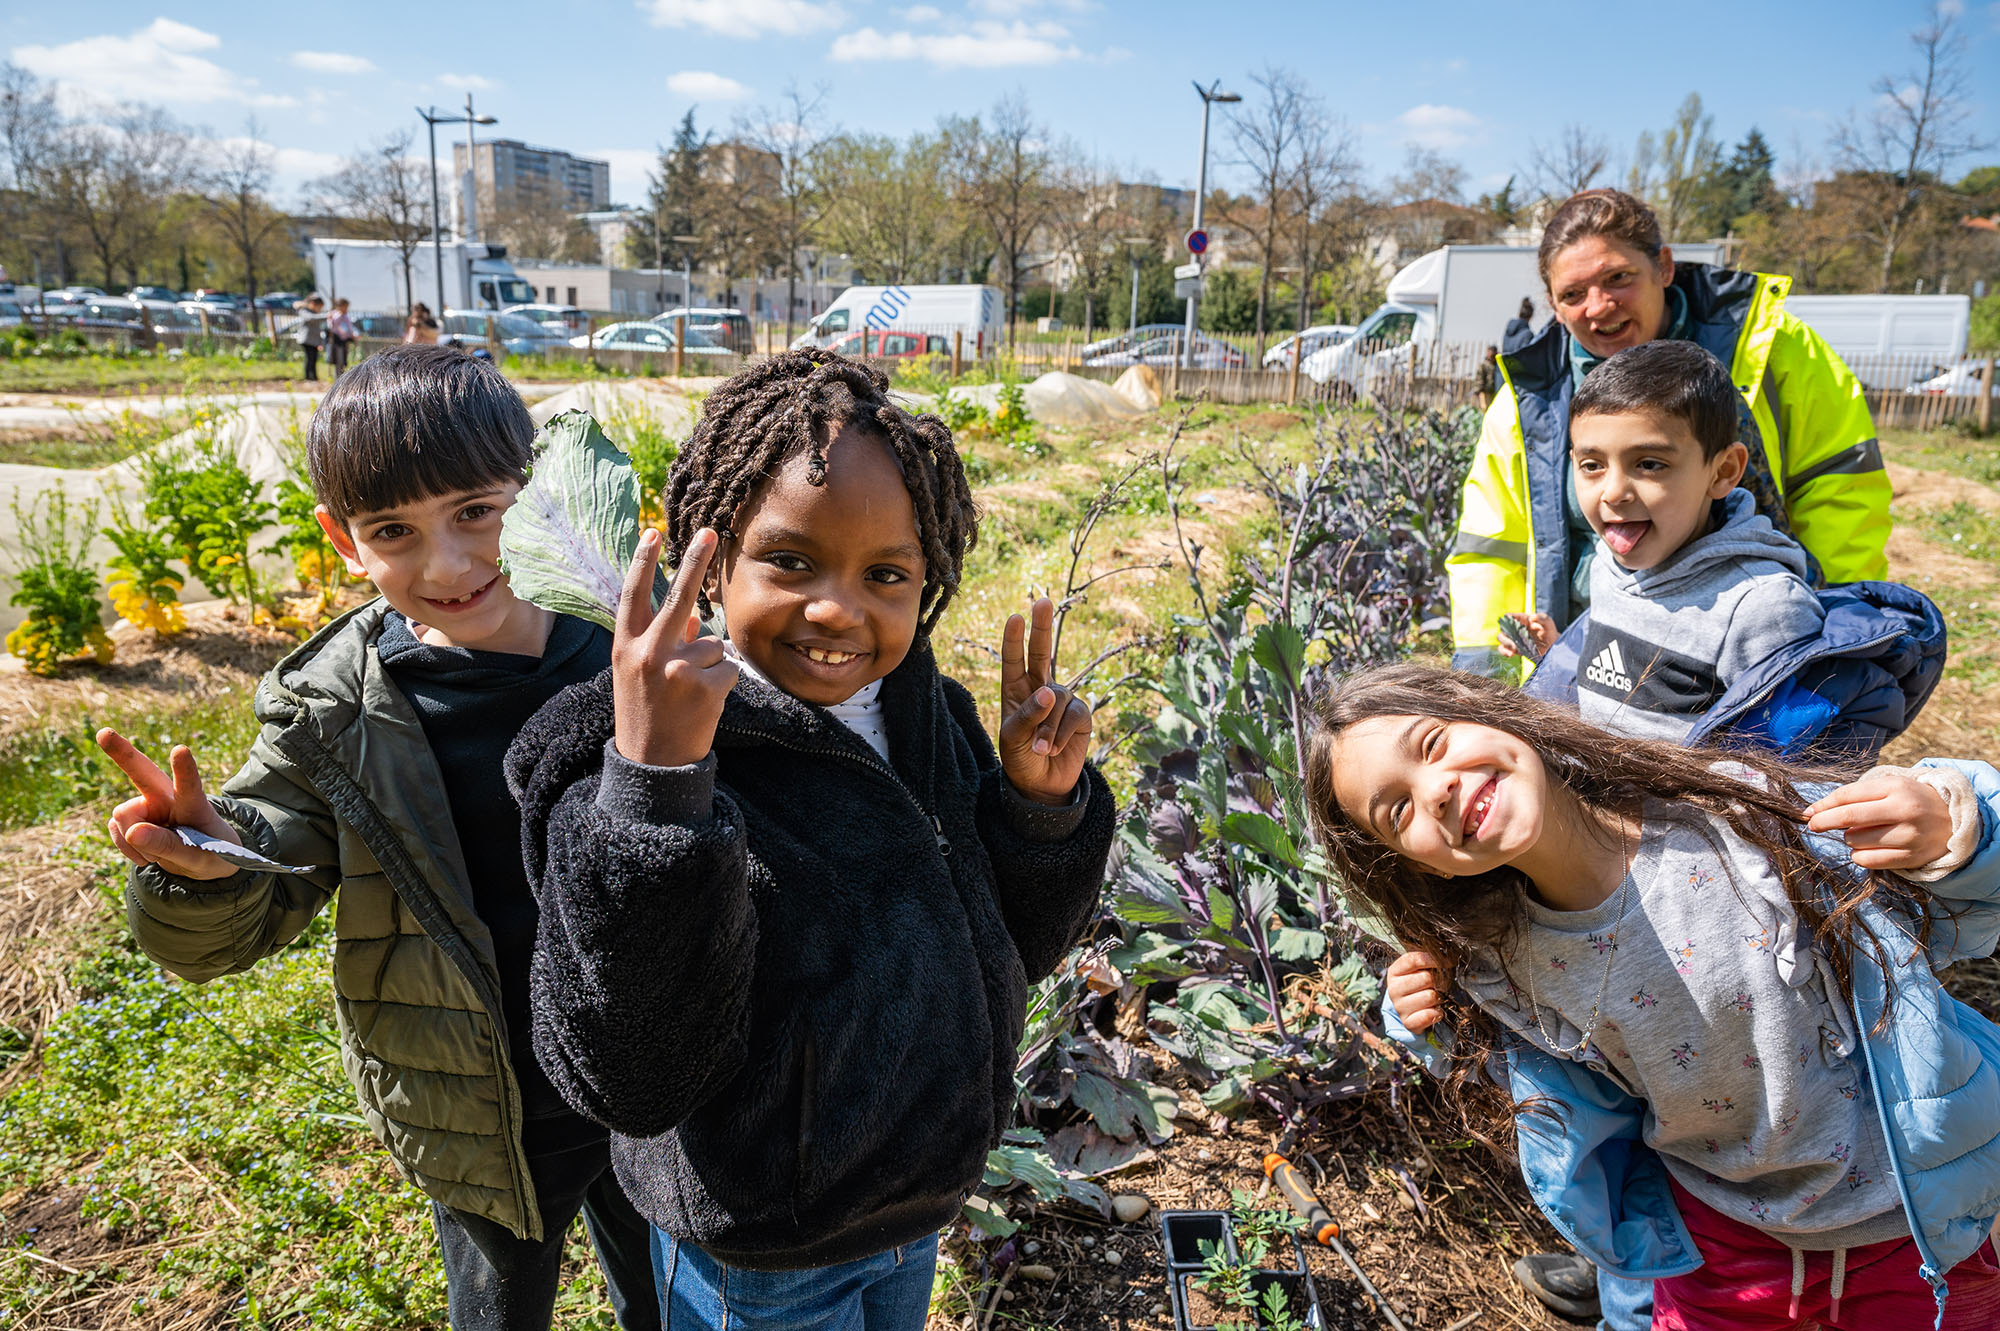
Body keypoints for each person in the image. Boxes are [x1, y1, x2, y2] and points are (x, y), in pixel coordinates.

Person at [507, 349, 1117, 1329]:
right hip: (761, 1250)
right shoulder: (630, 751)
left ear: (930, 579)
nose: (839, 608)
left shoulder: (924, 714)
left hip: (913, 1205)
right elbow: (630, 1068)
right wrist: (656, 784)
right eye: (790, 560)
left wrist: (1038, 806)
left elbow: (1015, 943)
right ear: (709, 557)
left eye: (886, 574)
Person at [94, 345, 659, 1331]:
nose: (447, 564)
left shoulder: (628, 649)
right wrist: (209, 859)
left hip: (656, 1076)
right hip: (484, 1109)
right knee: (499, 1308)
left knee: (668, 1299)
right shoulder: (342, 710)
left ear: (538, 495)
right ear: (342, 539)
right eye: (394, 529)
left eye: (476, 511)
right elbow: (268, 866)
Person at [1304, 663, 2000, 1331]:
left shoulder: (1728, 815)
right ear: (1418, 863)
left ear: (1489, 713)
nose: (1435, 792)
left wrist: (1953, 826)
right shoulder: (1498, 965)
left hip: (1917, 1222)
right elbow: (1524, 1080)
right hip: (1722, 1245)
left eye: (1432, 745)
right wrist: (1425, 1020)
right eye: (1397, 811)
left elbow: (1961, 907)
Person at [1448, 189, 1891, 681]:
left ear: (1663, 266)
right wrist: (1483, 676)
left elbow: (1841, 488)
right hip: (1588, 664)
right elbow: (1491, 544)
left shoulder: (1776, 350)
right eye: (1573, 294)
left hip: (1743, 656)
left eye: (1618, 278)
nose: (1599, 306)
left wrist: (1839, 629)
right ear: (1553, 303)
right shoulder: (1529, 395)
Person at [1499, 339, 1942, 755]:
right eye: (1592, 465)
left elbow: (1775, 773)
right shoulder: (1609, 563)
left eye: (1650, 464)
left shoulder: (1760, 608)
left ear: (1723, 471)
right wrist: (1558, 652)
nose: (1613, 492)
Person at [293, 294, 328, 382]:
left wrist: (320, 342)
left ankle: (314, 377)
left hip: (314, 341)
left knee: (314, 358)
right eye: (319, 307)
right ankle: (308, 377)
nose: (320, 310)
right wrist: (326, 315)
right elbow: (311, 318)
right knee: (310, 358)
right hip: (306, 339)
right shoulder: (304, 311)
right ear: (312, 304)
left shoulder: (315, 313)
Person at [327, 296, 357, 377]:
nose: (347, 309)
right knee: (338, 359)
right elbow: (334, 327)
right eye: (345, 307)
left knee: (343, 359)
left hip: (344, 340)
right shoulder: (335, 315)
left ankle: (341, 375)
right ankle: (338, 377)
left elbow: (349, 327)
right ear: (340, 306)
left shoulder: (345, 316)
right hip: (337, 340)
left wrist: (352, 335)